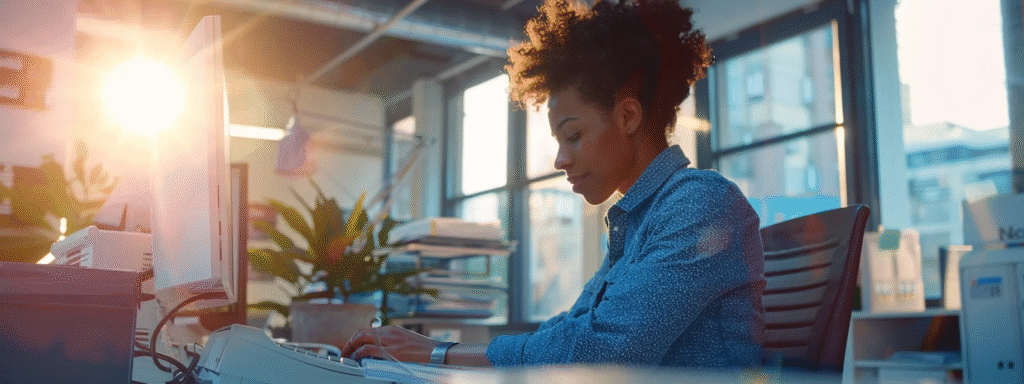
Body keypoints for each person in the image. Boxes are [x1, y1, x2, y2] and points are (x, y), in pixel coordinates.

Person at [341, 0, 765, 368]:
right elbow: (572, 329)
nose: (562, 159)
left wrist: (438, 353)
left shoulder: (700, 203)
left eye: (574, 135)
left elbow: (602, 349)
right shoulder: (637, 221)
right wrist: (437, 350)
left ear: (628, 116)